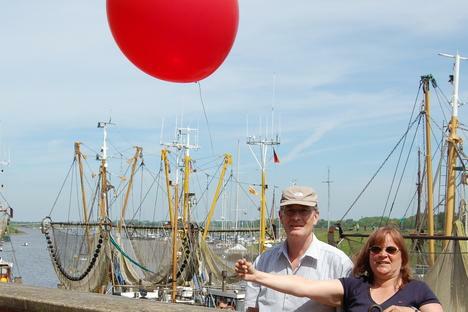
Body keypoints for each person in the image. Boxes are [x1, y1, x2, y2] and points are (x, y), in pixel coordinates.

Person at [237, 226, 443, 312]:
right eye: (376, 249)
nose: (383, 254)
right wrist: (257, 276)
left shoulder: (419, 290)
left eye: (391, 249)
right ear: (368, 254)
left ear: (402, 256)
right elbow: (302, 286)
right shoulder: (354, 286)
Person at [244, 185, 353, 312]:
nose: (296, 217)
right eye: (290, 211)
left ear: (316, 216)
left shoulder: (338, 263)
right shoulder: (263, 260)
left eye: (304, 211)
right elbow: (252, 308)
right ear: (280, 216)